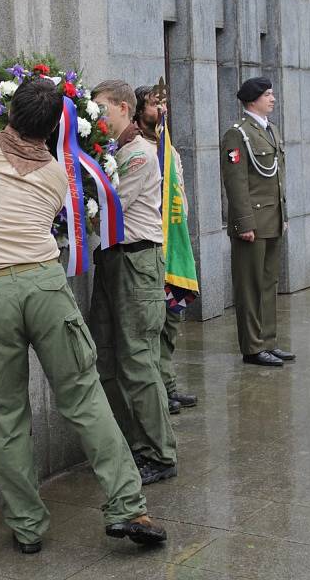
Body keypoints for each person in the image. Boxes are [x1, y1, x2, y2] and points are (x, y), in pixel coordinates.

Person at [0, 78, 167, 554]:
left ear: (7, 113)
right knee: (85, 398)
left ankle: (27, 528)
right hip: (46, 286)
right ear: (52, 132)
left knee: (5, 414)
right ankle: (128, 506)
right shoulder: (55, 176)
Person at [89, 79, 177, 486]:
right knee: (106, 359)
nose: (98, 119)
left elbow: (109, 208)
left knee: (138, 361)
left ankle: (159, 453)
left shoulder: (139, 154)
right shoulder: (114, 152)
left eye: (103, 110)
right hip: (110, 260)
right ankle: (132, 444)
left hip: (136, 262)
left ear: (124, 107)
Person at [220, 76, 295, 367]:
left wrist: (283, 217)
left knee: (267, 283)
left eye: (272, 94)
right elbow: (236, 183)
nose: (272, 99)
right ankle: (252, 347)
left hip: (272, 220)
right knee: (249, 285)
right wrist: (244, 223)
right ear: (252, 100)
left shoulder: (270, 130)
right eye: (268, 95)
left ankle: (268, 340)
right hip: (252, 222)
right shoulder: (237, 134)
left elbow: (277, 180)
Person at [134, 86, 197, 414]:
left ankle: (169, 382)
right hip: (151, 244)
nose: (161, 109)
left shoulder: (168, 148)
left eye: (164, 103)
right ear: (139, 108)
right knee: (154, 324)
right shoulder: (137, 148)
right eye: (154, 103)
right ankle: (161, 389)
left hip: (175, 244)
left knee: (172, 320)